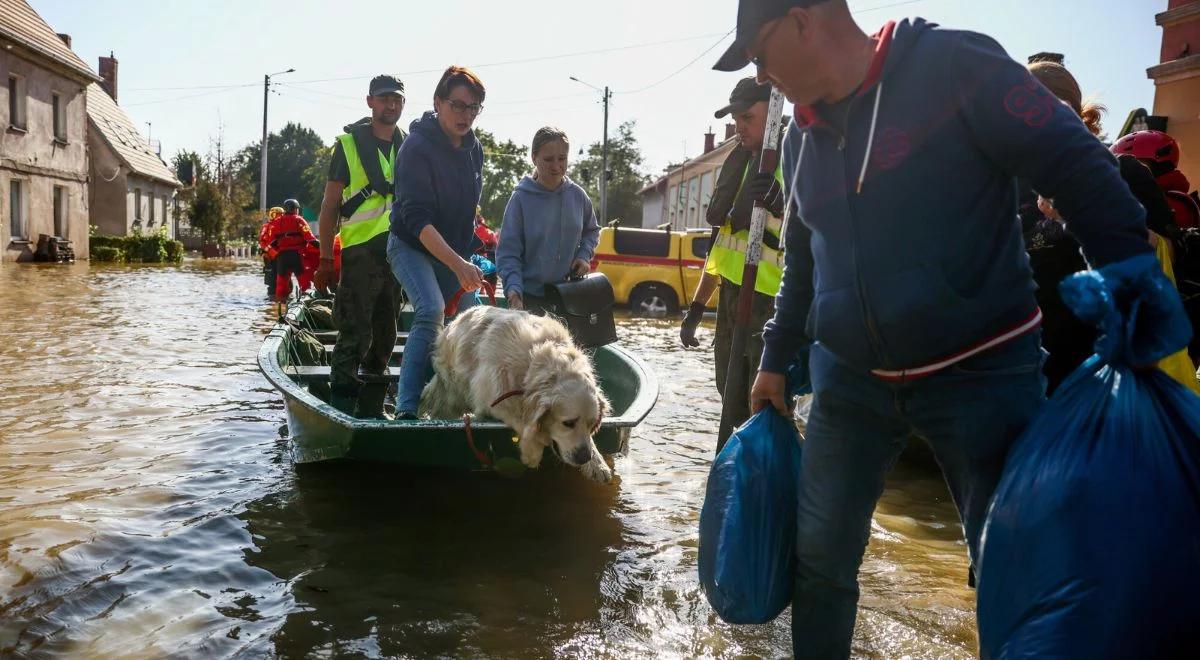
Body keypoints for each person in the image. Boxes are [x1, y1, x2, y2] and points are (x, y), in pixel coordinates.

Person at [713, 1, 1188, 657]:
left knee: (1012, 568)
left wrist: (1131, 297)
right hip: (850, 383)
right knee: (819, 560)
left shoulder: (954, 66)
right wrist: (774, 357)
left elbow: (1077, 165)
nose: (761, 76)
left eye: (760, 55)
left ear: (803, 19)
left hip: (982, 373)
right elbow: (803, 258)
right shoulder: (800, 137)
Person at [678, 77, 786, 430]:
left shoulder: (794, 157)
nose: (739, 127)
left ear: (772, 114)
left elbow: (820, 231)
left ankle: (767, 478)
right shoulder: (738, 163)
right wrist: (696, 308)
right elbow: (722, 248)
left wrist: (783, 205)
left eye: (747, 118)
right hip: (731, 303)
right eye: (736, 119)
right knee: (729, 394)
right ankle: (733, 473)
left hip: (771, 308)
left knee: (767, 403)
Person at [387, 66, 487, 420]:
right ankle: (407, 410)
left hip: (453, 253)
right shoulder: (417, 148)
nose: (466, 115)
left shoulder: (475, 150)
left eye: (473, 107)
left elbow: (464, 213)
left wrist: (471, 258)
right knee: (430, 310)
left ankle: (470, 407)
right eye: (458, 106)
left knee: (475, 322)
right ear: (437, 103)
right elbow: (417, 221)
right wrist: (458, 265)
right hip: (411, 246)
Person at [313, 74, 407, 418]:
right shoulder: (349, 146)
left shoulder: (407, 145)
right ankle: (341, 407)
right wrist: (325, 259)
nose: (391, 105)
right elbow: (329, 205)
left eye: (396, 99)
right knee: (354, 332)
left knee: (386, 332)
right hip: (358, 255)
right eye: (384, 98)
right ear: (370, 102)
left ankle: (371, 407)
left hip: (396, 255)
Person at [496, 126, 599, 315]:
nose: (556, 166)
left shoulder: (578, 196)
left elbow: (592, 231)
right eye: (548, 159)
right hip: (528, 299)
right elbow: (508, 253)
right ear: (534, 158)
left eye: (562, 159)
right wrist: (514, 293)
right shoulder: (520, 199)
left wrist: (584, 255)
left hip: (569, 296)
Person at [264, 199, 316, 302]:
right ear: (296, 209)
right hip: (297, 256)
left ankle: (278, 310)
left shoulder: (275, 222)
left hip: (282, 258)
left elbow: (271, 243)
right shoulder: (299, 220)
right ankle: (308, 304)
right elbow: (310, 239)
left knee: (281, 287)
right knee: (305, 284)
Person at [259, 206, 284, 298]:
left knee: (284, 278)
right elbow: (262, 242)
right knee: (272, 279)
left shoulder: (284, 226)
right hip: (270, 257)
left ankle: (284, 297)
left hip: (283, 256)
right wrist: (272, 252)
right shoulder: (266, 227)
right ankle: (272, 299)